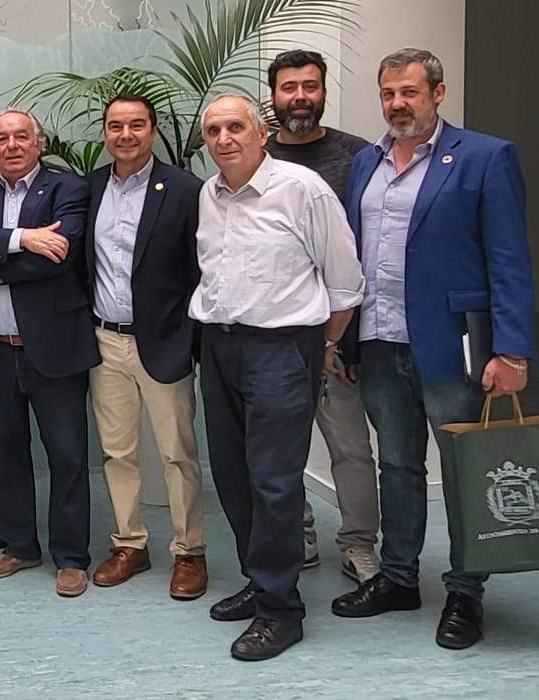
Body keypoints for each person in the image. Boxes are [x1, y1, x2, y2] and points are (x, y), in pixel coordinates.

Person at [328, 48, 537, 651]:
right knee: (397, 464)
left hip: (452, 345)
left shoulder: (484, 158)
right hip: (379, 340)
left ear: (438, 94)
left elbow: (509, 259)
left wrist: (513, 350)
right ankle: (397, 576)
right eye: (389, 93)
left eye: (410, 93)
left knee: (465, 468)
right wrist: (340, 337)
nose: (397, 104)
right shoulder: (365, 163)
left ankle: (466, 592)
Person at [189, 94, 363, 662]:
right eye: (213, 130)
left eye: (235, 127)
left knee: (274, 482)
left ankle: (282, 611)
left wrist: (324, 346)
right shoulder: (208, 195)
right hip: (219, 347)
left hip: (281, 350)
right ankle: (259, 580)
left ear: (262, 133)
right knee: (233, 476)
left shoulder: (302, 190)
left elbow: (344, 283)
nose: (223, 139)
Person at [0, 109, 100, 599]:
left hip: (53, 348)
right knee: (4, 453)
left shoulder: (68, 188)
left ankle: (71, 557)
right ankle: (19, 544)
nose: (12, 145)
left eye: (22, 137)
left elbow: (63, 257)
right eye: (2, 139)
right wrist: (22, 239)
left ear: (39, 144)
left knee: (68, 456)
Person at [262, 49, 383, 582]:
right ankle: (299, 531)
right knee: (278, 451)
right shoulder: (253, 155)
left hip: (334, 335)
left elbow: (364, 251)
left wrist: (343, 339)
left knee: (351, 449)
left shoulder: (357, 157)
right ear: (273, 96)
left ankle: (359, 543)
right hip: (272, 337)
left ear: (324, 91)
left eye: (310, 86)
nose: (300, 98)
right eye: (289, 88)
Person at [83, 93, 210, 600]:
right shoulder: (90, 188)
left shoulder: (184, 189)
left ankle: (190, 552)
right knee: (118, 453)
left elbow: (203, 269)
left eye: (137, 125)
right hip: (104, 341)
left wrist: (191, 339)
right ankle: (130, 543)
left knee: (178, 454)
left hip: (163, 342)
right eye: (116, 126)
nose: (126, 135)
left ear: (153, 131)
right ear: (105, 133)